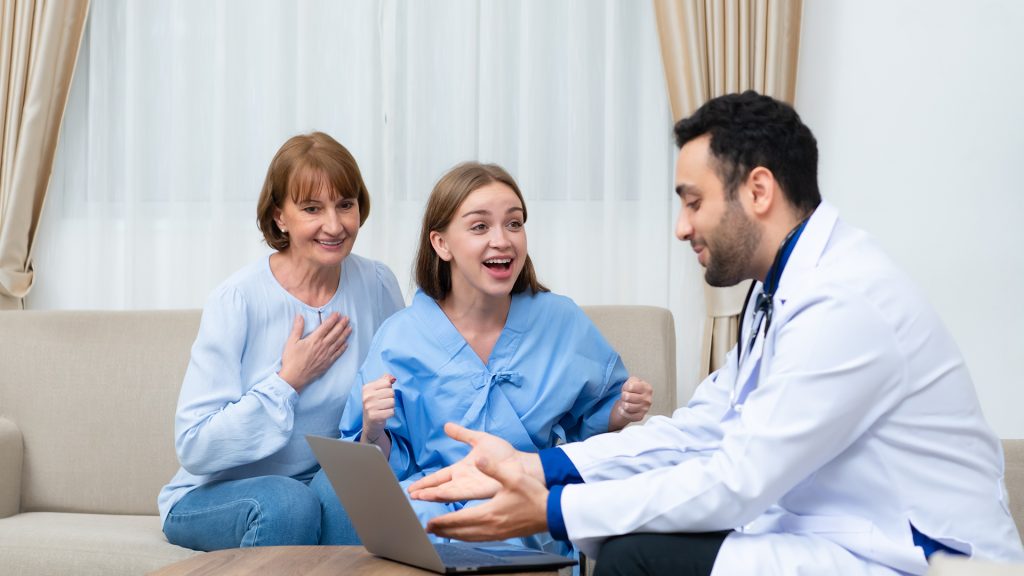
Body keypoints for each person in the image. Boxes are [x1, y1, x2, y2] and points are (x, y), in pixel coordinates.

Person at [405, 92, 1024, 575]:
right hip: (842, 535)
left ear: (757, 190)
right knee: (637, 545)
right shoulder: (779, 292)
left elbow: (736, 478)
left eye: (692, 201)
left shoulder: (845, 302)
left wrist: (552, 509)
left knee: (636, 558)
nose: (681, 226)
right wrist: (540, 466)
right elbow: (701, 430)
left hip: (925, 558)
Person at [313, 162, 653, 554]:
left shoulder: (561, 320)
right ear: (441, 244)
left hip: (524, 504)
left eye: (514, 223)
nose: (503, 240)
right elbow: (379, 466)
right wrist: (373, 426)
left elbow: (591, 422)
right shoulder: (401, 336)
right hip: (429, 507)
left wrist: (621, 411)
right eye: (480, 227)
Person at [158, 132, 404, 551]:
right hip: (220, 492)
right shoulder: (237, 300)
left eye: (346, 204)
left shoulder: (377, 283)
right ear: (280, 217)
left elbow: (400, 398)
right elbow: (196, 447)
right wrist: (288, 381)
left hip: (319, 480)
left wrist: (372, 429)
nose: (334, 224)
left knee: (354, 484)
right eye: (312, 208)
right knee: (289, 505)